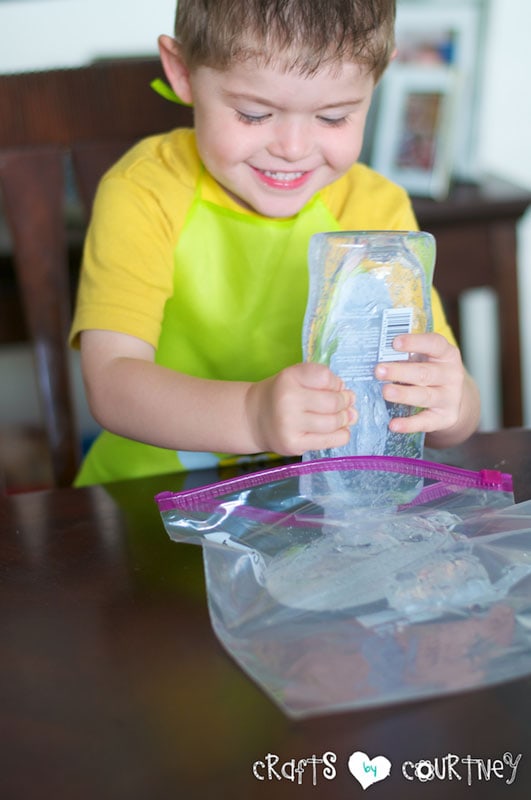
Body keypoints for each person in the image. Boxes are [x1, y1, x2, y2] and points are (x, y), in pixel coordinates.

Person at [70, 0, 480, 486]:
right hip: (146, 502)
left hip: (318, 509)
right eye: (253, 113)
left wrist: (452, 406)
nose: (293, 147)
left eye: (333, 118)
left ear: (376, 81)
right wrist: (251, 415)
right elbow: (112, 383)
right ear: (182, 72)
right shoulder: (144, 190)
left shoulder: (377, 209)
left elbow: (450, 409)